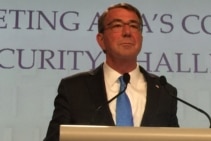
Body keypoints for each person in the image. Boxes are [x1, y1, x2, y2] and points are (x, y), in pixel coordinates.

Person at [43, 2, 179, 141]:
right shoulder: (74, 89)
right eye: (117, 26)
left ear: (141, 38)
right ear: (101, 40)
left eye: (133, 26)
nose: (127, 32)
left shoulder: (165, 92)